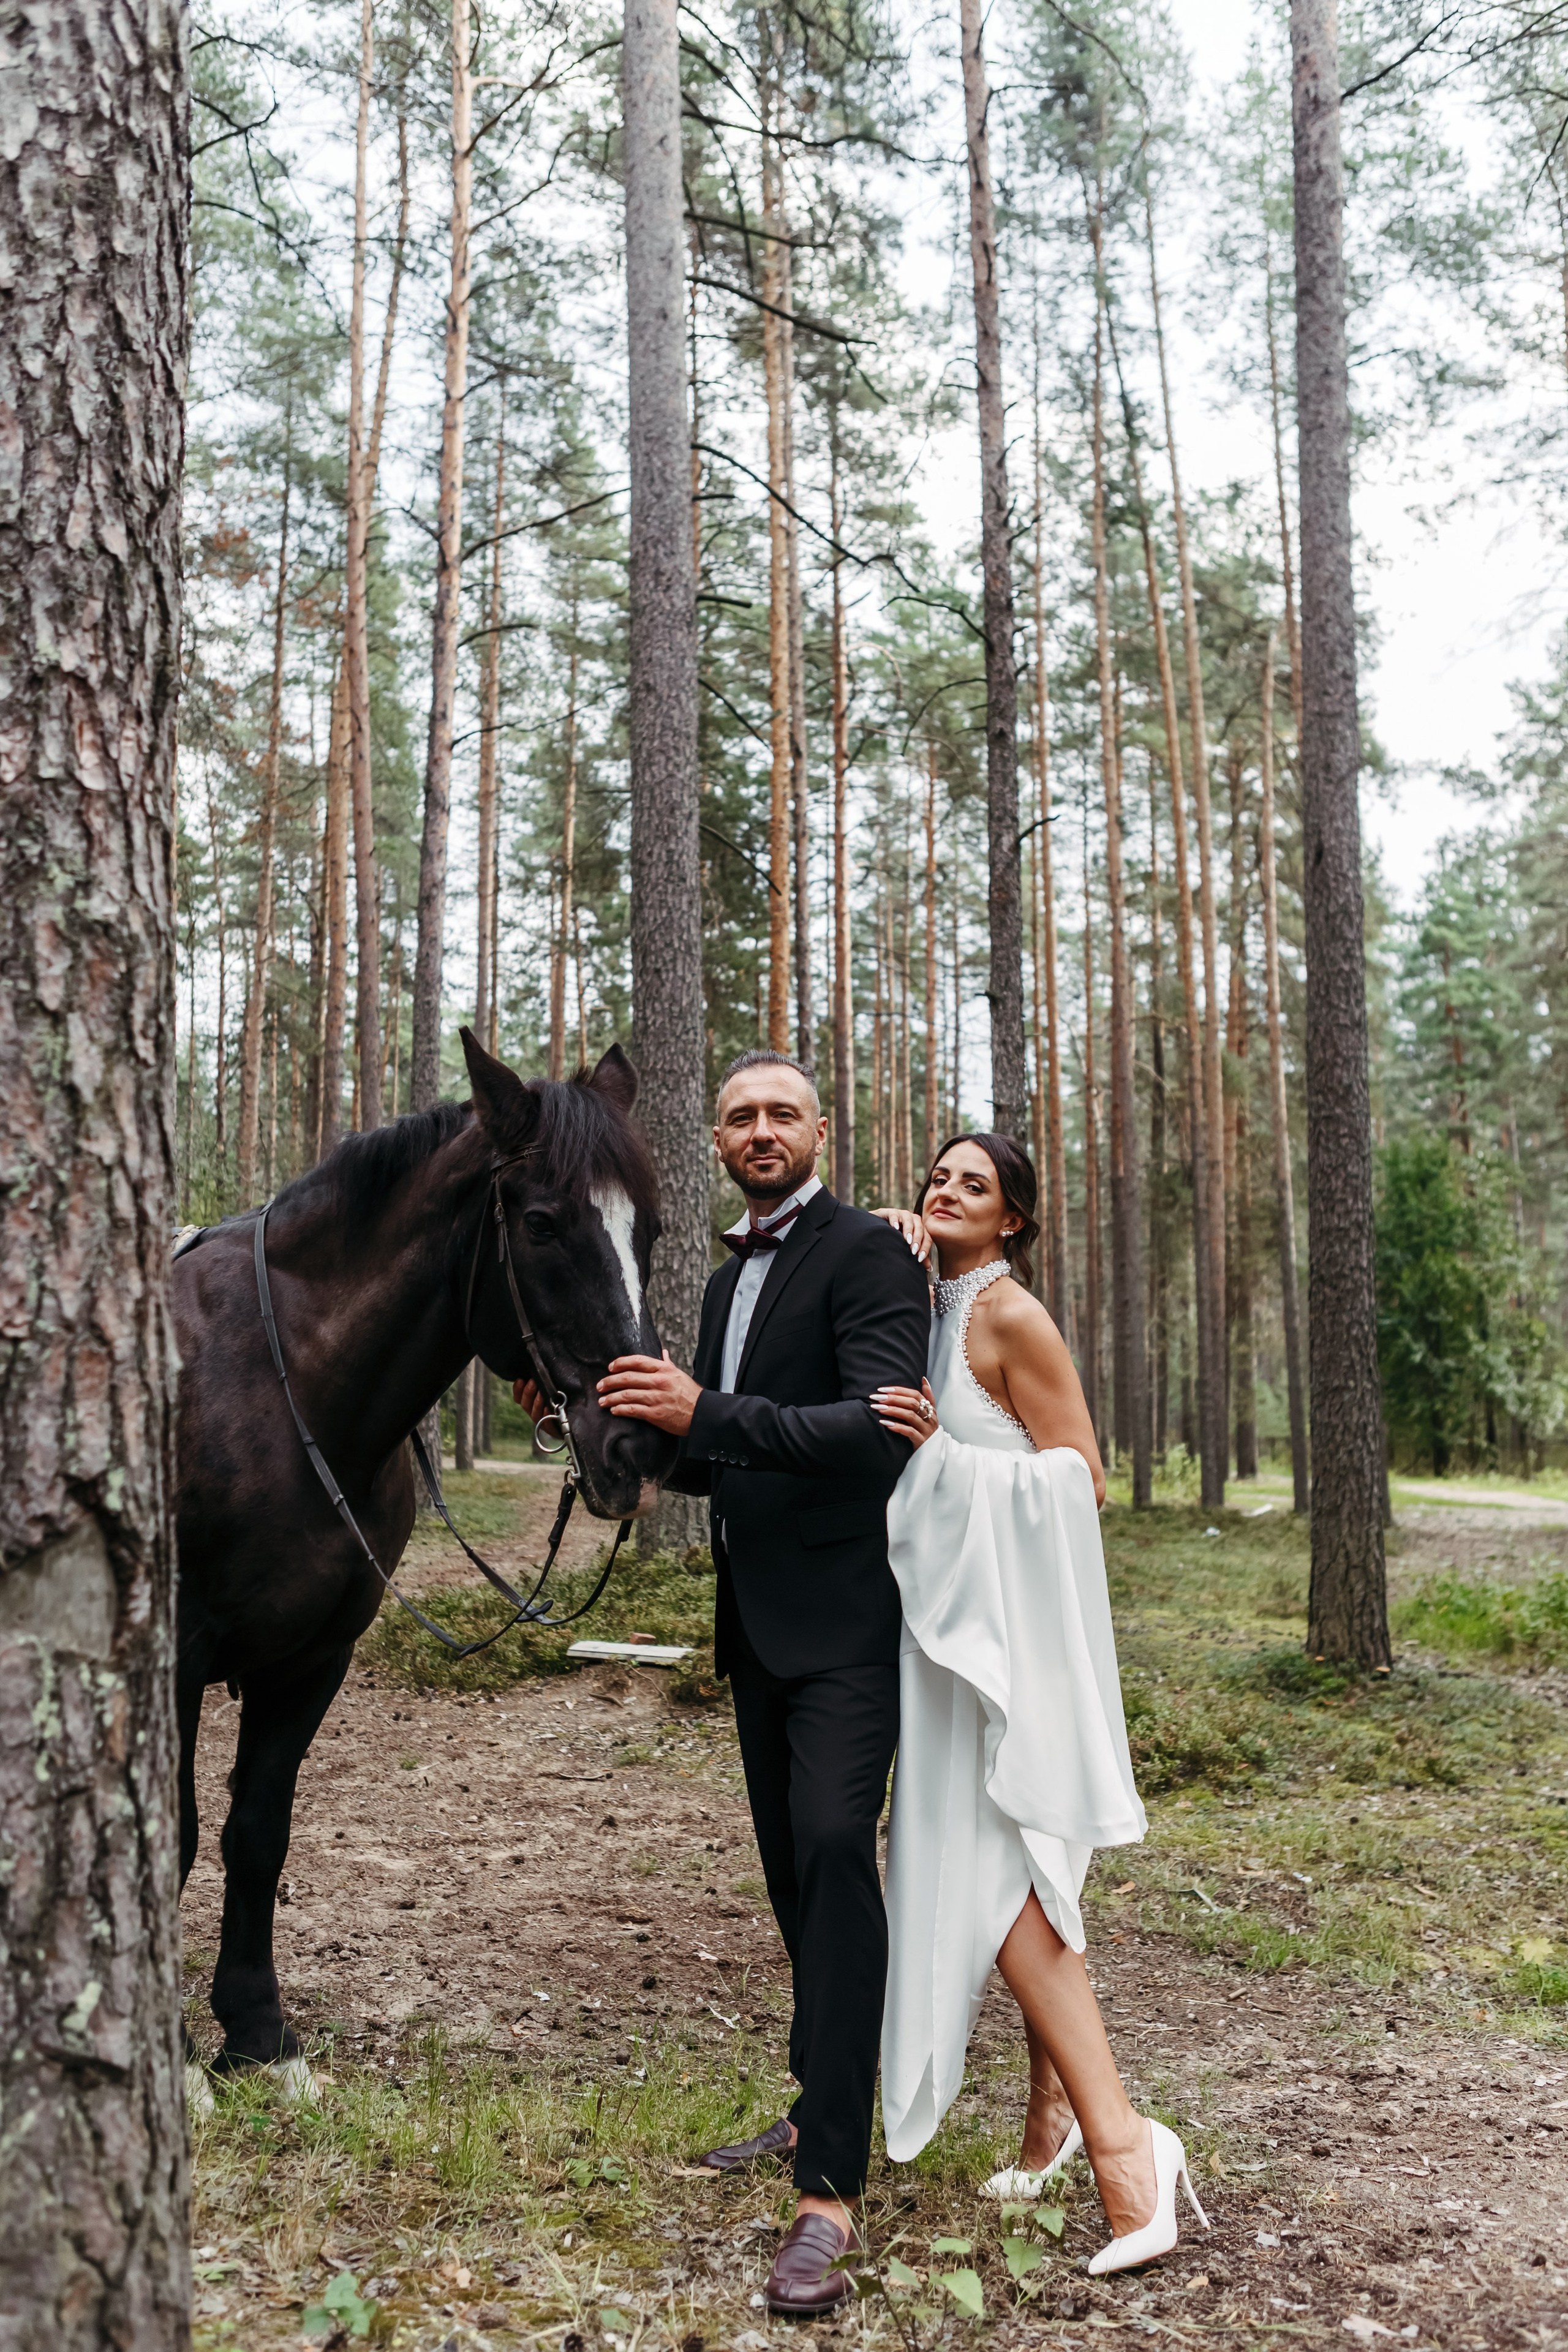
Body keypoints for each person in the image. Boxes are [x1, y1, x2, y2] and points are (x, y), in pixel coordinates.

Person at [583, 1050, 930, 2314]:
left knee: (838, 1856)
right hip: (755, 1632)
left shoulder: (870, 1257)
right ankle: (814, 2102)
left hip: (849, 1625)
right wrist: (607, 1425)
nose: (762, 1130)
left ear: (821, 1130)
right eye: (741, 1117)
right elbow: (719, 1456)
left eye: (783, 1112)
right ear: (718, 1142)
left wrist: (702, 1410)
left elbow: (873, 1435)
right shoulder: (727, 1278)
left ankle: (828, 2195)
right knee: (796, 1887)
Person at [869, 1134, 1209, 2277]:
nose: (946, 1192)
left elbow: (1081, 1479)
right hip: (944, 1646)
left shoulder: (1010, 1317)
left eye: (975, 1184)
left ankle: (1131, 2154)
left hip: (1009, 1644)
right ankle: (1049, 2124)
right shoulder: (913, 1300)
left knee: (1006, 1883)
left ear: (1012, 1217)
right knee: (1008, 1868)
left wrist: (947, 1467)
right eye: (937, 1178)